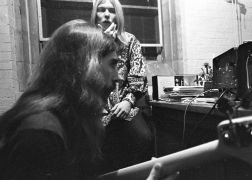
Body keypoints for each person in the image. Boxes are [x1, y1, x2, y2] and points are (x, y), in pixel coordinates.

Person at [0, 19, 177, 180]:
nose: (119, 78)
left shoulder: (72, 121)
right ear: (85, 67)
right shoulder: (40, 135)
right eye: (112, 64)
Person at [91, 0, 154, 170]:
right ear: (95, 14)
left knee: (143, 138)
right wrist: (105, 45)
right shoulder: (88, 42)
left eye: (111, 10)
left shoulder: (129, 40)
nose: (106, 14)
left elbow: (138, 73)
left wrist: (128, 100)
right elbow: (88, 76)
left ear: (118, 15)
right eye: (101, 10)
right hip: (96, 108)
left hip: (126, 104)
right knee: (100, 148)